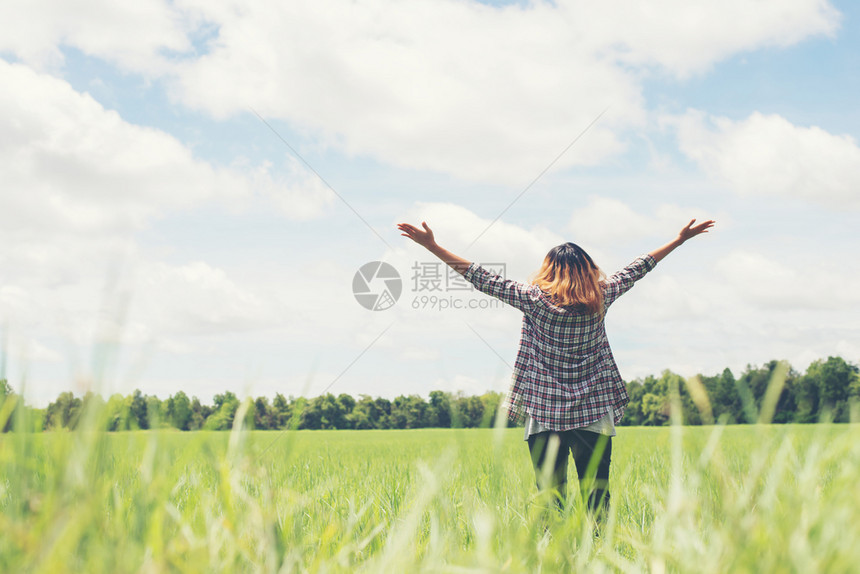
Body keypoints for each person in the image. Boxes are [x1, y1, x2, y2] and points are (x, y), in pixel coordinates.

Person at [397, 218, 715, 518]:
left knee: (550, 499)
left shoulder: (532, 299)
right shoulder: (602, 296)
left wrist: (432, 246)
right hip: (593, 409)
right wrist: (678, 239)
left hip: (544, 411)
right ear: (588, 270)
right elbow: (639, 267)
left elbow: (481, 277)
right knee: (597, 497)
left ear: (548, 270)